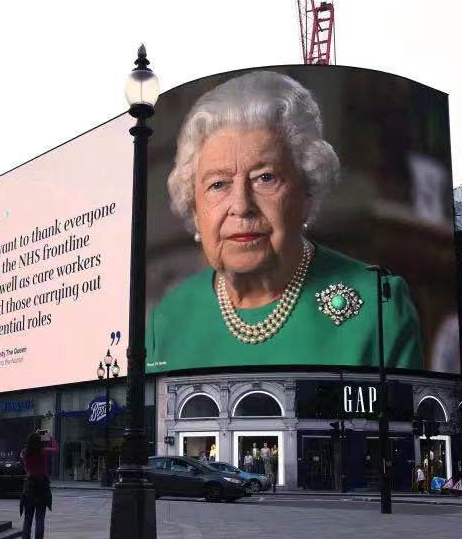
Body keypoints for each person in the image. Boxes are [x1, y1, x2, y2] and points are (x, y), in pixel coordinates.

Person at [146, 71, 423, 372]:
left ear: (306, 192)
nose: (241, 206)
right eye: (218, 184)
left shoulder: (379, 307)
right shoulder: (168, 319)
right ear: (195, 209)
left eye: (265, 178)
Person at [19, 429, 58, 539]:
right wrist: (50, 436)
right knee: (40, 520)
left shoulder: (25, 453)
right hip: (42, 487)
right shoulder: (43, 452)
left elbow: (23, 457)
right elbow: (55, 449)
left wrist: (35, 434)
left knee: (27, 520)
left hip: (29, 487)